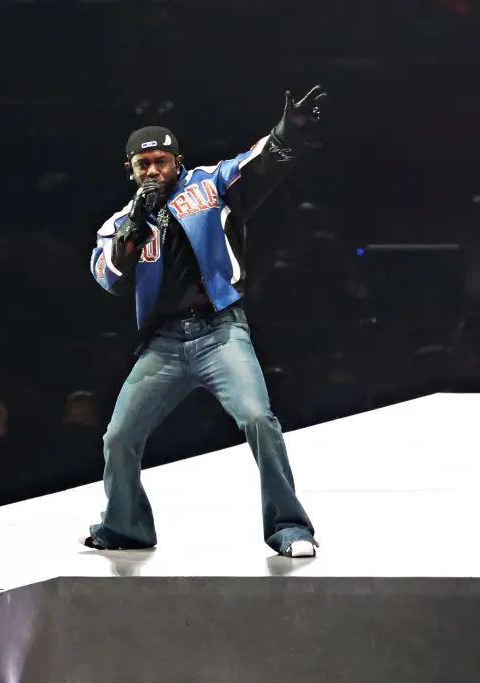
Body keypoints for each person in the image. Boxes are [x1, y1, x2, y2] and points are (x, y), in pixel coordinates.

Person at [85, 86, 328, 558]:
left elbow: (253, 164)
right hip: (164, 345)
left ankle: (290, 528)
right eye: (143, 164)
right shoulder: (120, 221)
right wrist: (131, 230)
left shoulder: (207, 185)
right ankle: (124, 526)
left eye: (161, 160)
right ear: (130, 171)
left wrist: (287, 133)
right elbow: (109, 278)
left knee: (259, 418)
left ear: (178, 160)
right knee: (118, 438)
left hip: (220, 331)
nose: (153, 170)